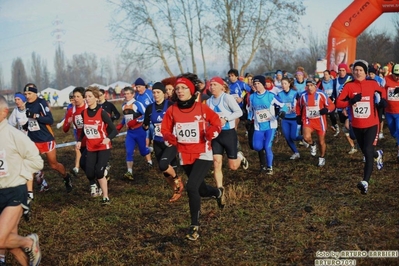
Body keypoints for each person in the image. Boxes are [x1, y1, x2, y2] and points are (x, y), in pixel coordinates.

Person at [161, 73, 223, 241]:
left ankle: (194, 227)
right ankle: (217, 192)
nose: (180, 91)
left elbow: (217, 122)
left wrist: (212, 131)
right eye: (178, 88)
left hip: (203, 153)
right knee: (201, 190)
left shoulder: (202, 108)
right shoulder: (172, 110)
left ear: (192, 90)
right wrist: (168, 137)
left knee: (191, 187)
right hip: (184, 154)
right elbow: (164, 129)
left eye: (184, 88)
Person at [0, 94, 43, 266]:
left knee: (1, 238)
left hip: (14, 192)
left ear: (4, 111)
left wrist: (21, 174)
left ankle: (29, 242)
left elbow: (37, 161)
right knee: (9, 241)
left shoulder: (15, 135)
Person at [336, 60, 386, 194]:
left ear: (365, 72)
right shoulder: (349, 86)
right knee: (365, 150)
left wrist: (382, 101)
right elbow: (338, 103)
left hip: (372, 124)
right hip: (357, 125)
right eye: (356, 70)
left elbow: (383, 94)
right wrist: (351, 101)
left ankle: (365, 182)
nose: (358, 72)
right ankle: (378, 154)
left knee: (368, 150)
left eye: (361, 70)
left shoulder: (372, 84)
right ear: (352, 72)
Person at [24, 83, 73, 193]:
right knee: (30, 165)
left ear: (35, 93)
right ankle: (29, 193)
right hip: (32, 140)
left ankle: (66, 177)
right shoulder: (27, 104)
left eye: (29, 93)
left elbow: (50, 120)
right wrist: (26, 125)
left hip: (46, 139)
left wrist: (36, 116)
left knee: (53, 165)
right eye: (25, 94)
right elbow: (31, 120)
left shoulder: (41, 103)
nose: (27, 96)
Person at [206, 76, 249, 203]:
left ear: (221, 86)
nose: (212, 87)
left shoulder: (227, 98)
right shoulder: (208, 102)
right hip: (216, 135)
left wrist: (226, 119)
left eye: (214, 84)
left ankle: (240, 157)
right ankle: (220, 190)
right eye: (211, 85)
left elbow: (239, 112)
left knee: (233, 166)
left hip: (228, 134)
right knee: (216, 162)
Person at [76, 86, 118, 204]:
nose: (87, 99)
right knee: (90, 173)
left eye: (90, 97)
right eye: (86, 97)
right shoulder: (84, 113)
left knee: (99, 173)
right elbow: (85, 129)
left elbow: (114, 130)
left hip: (103, 147)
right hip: (91, 147)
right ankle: (103, 174)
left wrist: (108, 138)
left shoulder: (102, 113)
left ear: (96, 98)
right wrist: (80, 140)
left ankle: (105, 196)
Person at [142, 82, 183, 202]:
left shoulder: (171, 105)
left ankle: (177, 179)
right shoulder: (150, 108)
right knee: (165, 172)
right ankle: (176, 191)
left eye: (158, 92)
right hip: (157, 141)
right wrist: (142, 126)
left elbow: (180, 120)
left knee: (163, 165)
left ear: (164, 94)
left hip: (170, 141)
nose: (155, 94)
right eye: (154, 92)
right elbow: (145, 123)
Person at [247, 75, 285, 175]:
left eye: (259, 83)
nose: (256, 85)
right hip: (258, 126)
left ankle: (269, 167)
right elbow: (250, 110)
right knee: (256, 147)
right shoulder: (252, 97)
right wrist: (248, 119)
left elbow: (282, 105)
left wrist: (281, 112)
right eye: (255, 84)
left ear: (263, 84)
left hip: (270, 126)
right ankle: (268, 155)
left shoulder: (270, 95)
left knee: (267, 147)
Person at [117, 86, 153, 180]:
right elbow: (125, 119)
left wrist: (136, 120)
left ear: (133, 94)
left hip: (139, 131)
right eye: (125, 94)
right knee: (129, 151)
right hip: (130, 133)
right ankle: (129, 171)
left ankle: (150, 149)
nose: (126, 95)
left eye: (128, 93)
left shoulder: (137, 104)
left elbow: (146, 115)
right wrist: (119, 126)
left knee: (142, 152)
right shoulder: (123, 105)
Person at [296, 80, 335, 167]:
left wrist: (326, 110)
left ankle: (322, 157)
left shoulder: (321, 94)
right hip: (308, 120)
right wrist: (298, 116)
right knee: (306, 137)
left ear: (315, 86)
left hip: (320, 121)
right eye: (307, 86)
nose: (309, 88)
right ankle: (312, 144)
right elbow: (298, 105)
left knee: (321, 142)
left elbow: (331, 105)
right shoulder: (303, 95)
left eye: (311, 85)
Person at [63, 87, 87, 179]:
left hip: (92, 139)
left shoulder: (88, 107)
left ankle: (99, 179)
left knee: (91, 163)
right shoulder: (71, 111)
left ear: (83, 97)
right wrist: (68, 123)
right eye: (74, 97)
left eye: (78, 96)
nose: (75, 99)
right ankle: (94, 183)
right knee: (83, 164)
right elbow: (65, 130)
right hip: (81, 140)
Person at [278, 77, 304, 159]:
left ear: (289, 84)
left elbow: (301, 103)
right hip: (285, 119)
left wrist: (296, 108)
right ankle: (296, 153)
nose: (283, 85)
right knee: (287, 137)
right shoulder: (279, 94)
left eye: (285, 83)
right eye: (282, 84)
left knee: (294, 136)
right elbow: (278, 105)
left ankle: (305, 138)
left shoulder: (295, 93)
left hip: (294, 118)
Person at [134, 78, 155, 165]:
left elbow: (156, 105)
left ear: (143, 86)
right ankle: (149, 162)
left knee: (155, 141)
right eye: (136, 87)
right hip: (144, 122)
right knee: (145, 141)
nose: (138, 89)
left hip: (153, 122)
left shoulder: (150, 93)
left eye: (139, 87)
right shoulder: (136, 96)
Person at [383, 63, 399, 161]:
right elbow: (381, 90)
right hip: (389, 111)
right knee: (393, 132)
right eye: (396, 75)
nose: (397, 78)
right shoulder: (386, 79)